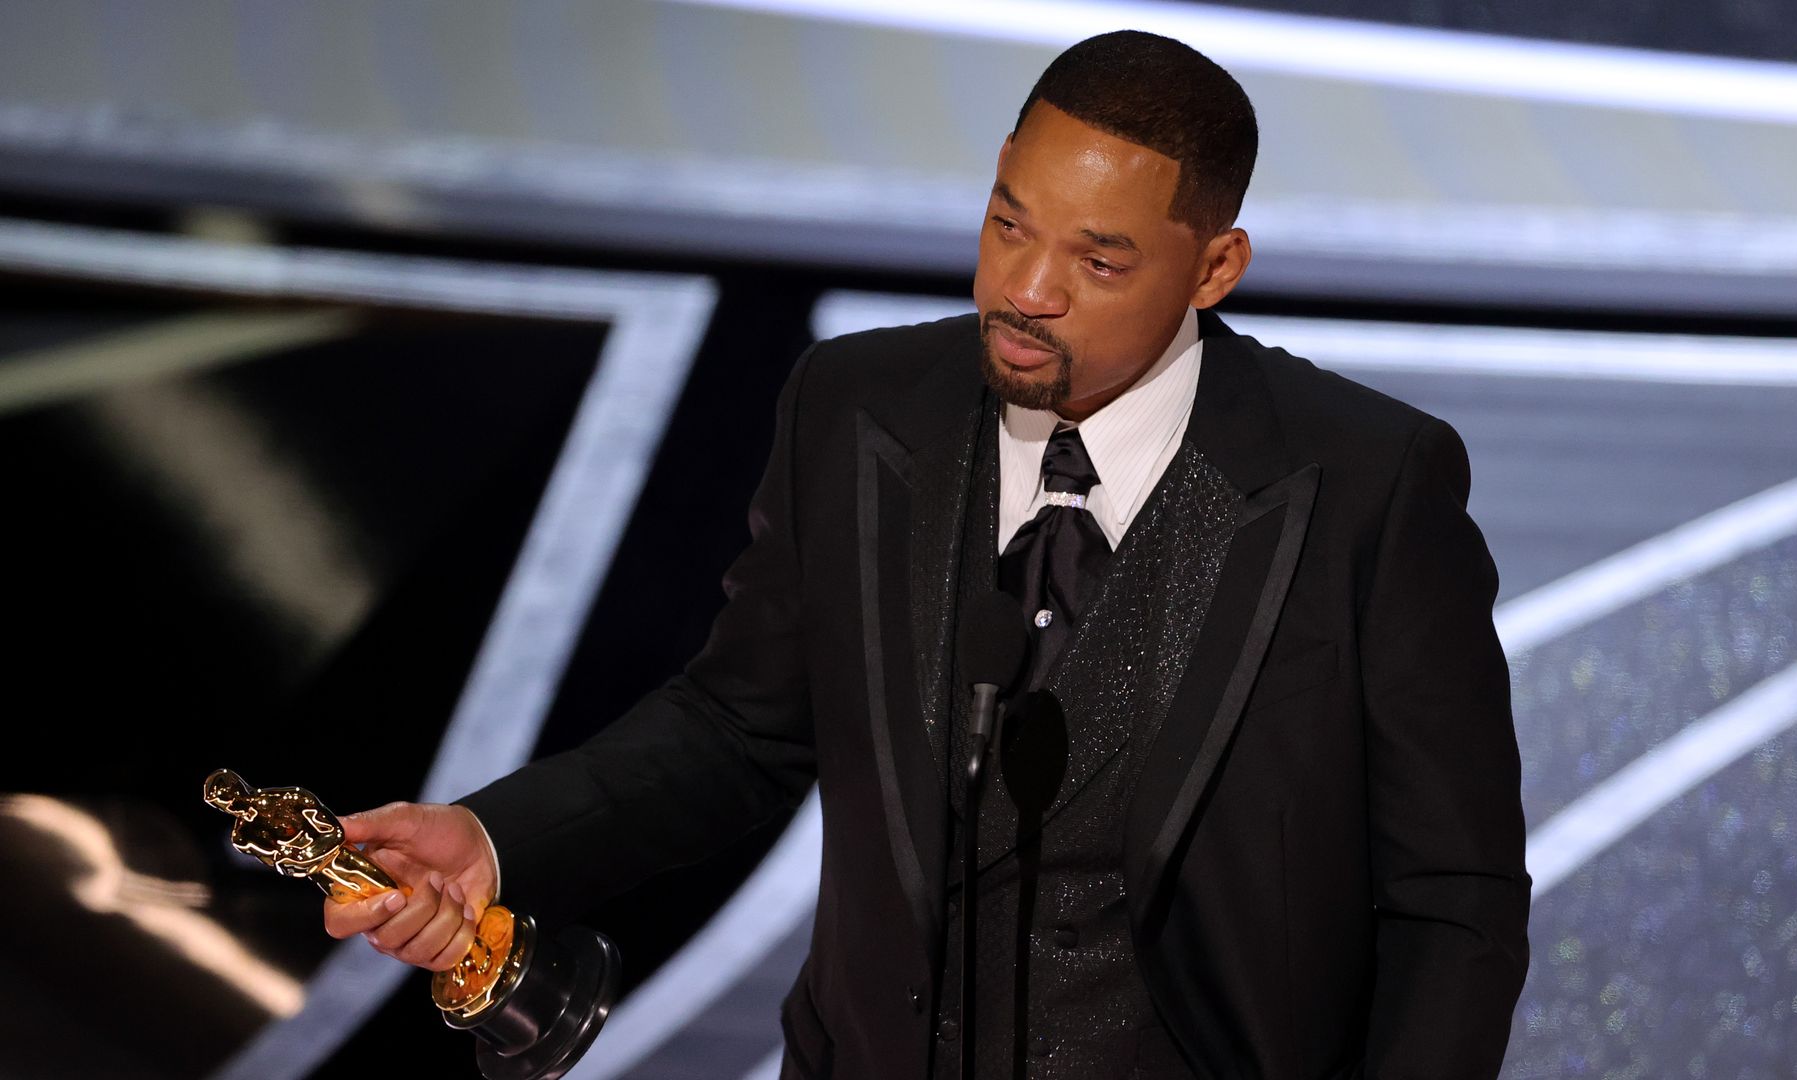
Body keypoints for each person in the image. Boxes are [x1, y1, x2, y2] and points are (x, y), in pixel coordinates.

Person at [322, 30, 1530, 1078]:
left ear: (1213, 270)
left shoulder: (1366, 485)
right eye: (1009, 224)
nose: (1027, 288)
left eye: (1098, 261)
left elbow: (1451, 897)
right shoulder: (858, 407)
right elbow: (741, 727)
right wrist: (496, 836)